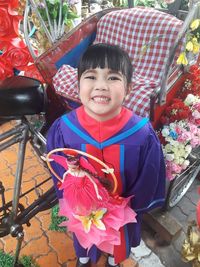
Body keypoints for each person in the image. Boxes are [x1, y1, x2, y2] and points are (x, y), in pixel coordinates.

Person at [47, 43, 166, 267]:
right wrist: (73, 196)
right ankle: (83, 259)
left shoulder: (141, 133)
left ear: (129, 88)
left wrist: (129, 206)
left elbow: (148, 177)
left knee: (120, 238)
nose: (101, 86)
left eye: (113, 78)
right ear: (78, 84)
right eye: (91, 76)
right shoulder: (64, 129)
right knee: (82, 233)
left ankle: (113, 260)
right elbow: (60, 170)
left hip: (122, 211)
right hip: (83, 208)